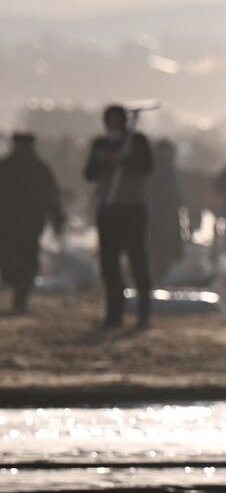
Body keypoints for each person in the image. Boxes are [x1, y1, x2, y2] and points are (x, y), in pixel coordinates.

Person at [84, 104, 155, 329]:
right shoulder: (100, 144)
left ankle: (144, 314)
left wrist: (126, 160)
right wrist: (107, 161)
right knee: (109, 265)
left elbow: (147, 167)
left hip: (132, 209)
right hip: (108, 209)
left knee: (138, 262)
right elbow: (89, 173)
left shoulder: (137, 142)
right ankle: (114, 314)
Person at [0, 133, 65, 312]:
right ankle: (20, 289)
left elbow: (51, 195)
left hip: (20, 223)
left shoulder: (13, 167)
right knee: (19, 260)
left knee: (20, 259)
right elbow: (52, 196)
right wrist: (57, 218)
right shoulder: (36, 167)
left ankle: (20, 292)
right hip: (19, 223)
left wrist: (57, 217)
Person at [146, 139, 187, 283]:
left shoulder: (161, 167)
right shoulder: (162, 168)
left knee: (160, 245)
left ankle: (160, 273)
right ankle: (160, 274)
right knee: (162, 245)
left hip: (162, 213)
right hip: (161, 214)